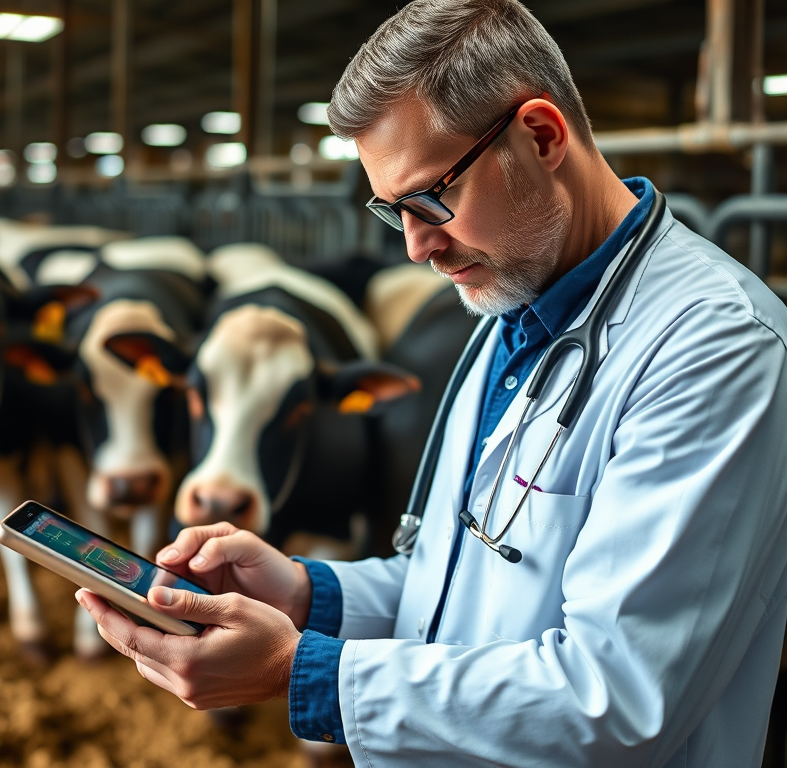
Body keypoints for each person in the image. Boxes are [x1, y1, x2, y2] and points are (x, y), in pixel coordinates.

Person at [76, 1, 787, 764]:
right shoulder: (512, 310)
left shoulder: (714, 347)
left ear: (541, 137)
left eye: (429, 199)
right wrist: (306, 595)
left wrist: (299, 670)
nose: (416, 247)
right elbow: (460, 585)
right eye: (394, 212)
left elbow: (617, 698)